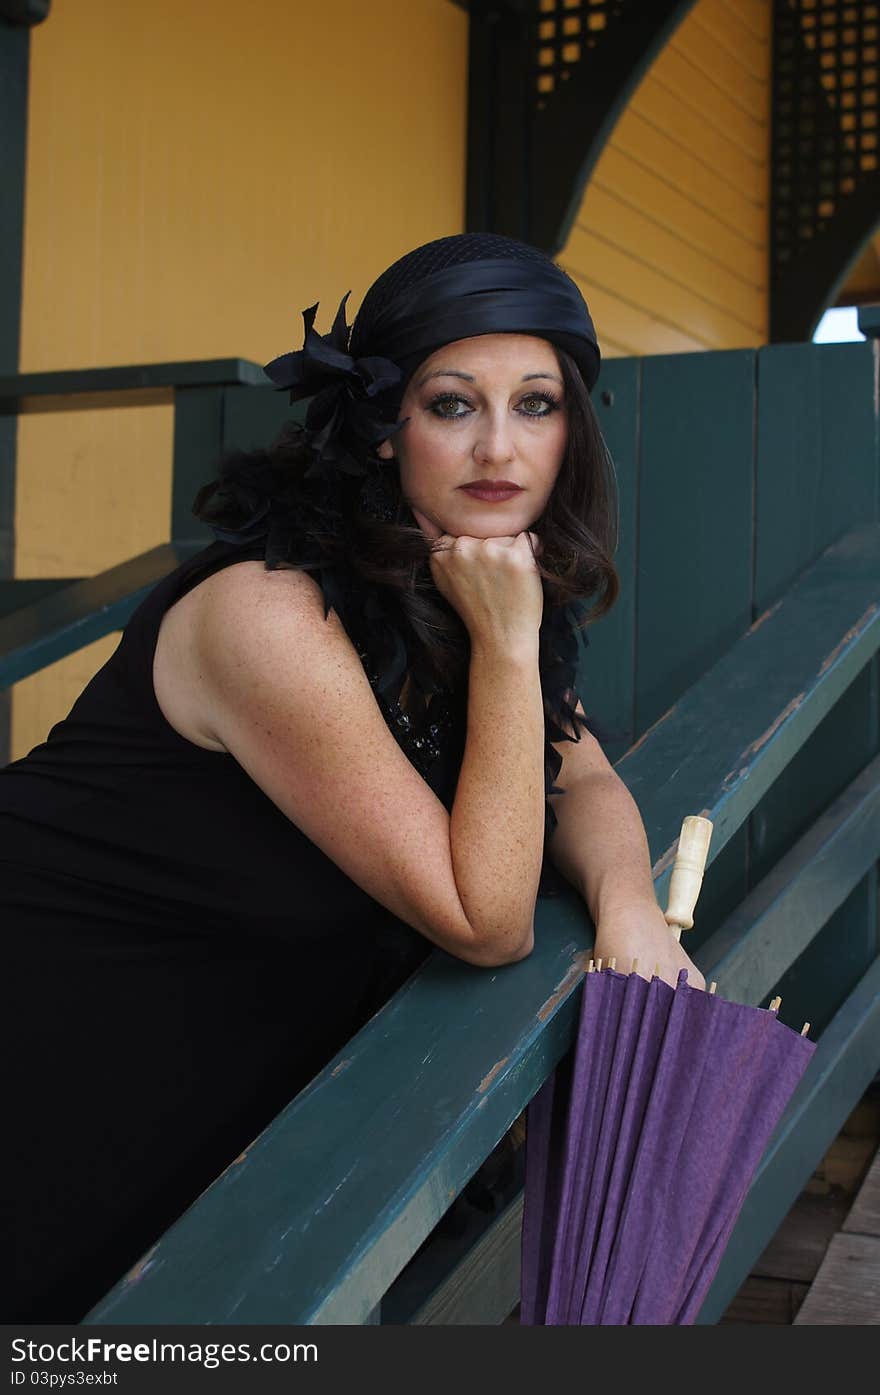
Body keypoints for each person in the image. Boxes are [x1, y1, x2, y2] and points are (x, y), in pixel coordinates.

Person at [1, 232, 704, 1323]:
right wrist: (508, 650)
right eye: (451, 404)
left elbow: (586, 782)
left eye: (536, 404)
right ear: (383, 430)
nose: (498, 449)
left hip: (192, 1080)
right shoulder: (267, 615)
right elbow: (486, 918)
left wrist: (630, 914)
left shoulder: (469, 584)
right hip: (47, 1031)